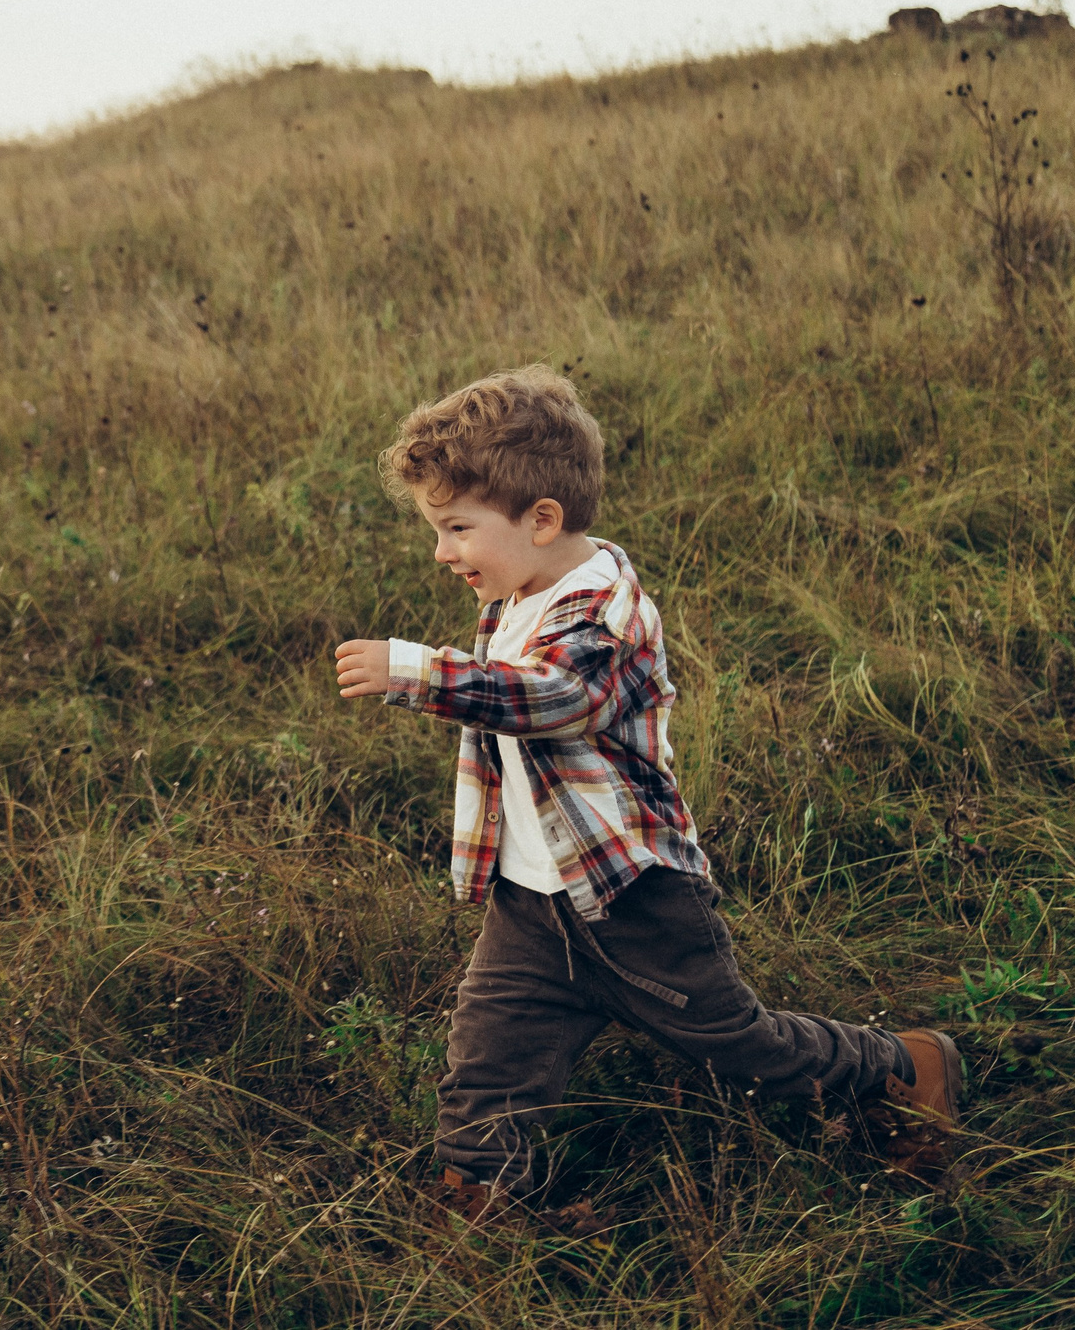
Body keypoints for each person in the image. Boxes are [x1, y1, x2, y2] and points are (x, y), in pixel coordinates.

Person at [331, 366, 960, 1220]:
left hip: (634, 900)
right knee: (486, 1061)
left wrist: (417, 671)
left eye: (456, 528)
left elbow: (555, 697)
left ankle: (903, 1065)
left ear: (541, 520)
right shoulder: (518, 587)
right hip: (532, 901)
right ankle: (485, 1201)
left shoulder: (607, 611)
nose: (442, 550)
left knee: (739, 1046)